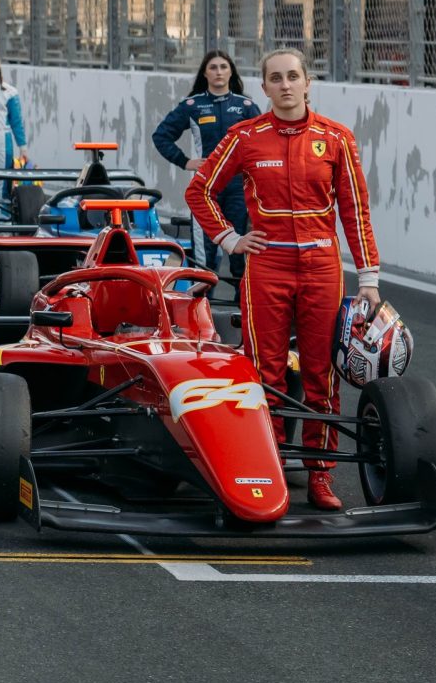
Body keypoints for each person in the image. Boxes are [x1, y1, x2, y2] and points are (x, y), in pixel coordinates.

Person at [184, 47, 380, 512]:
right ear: (265, 87)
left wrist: (368, 277)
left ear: (308, 83)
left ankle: (320, 474)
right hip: (266, 267)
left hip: (322, 268)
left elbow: (356, 212)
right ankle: (267, 467)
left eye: (294, 76)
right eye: (276, 78)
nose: (286, 85)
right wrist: (230, 240)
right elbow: (199, 190)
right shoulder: (245, 135)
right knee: (264, 371)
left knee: (320, 373)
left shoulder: (336, 139)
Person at [152, 50, 257, 278]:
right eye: (213, 67)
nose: (218, 72)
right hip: (206, 188)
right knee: (204, 254)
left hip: (239, 188)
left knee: (242, 249)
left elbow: (262, 144)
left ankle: (244, 308)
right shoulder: (193, 105)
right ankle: (200, 305)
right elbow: (161, 136)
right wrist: (186, 161)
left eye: (223, 67)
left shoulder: (246, 106)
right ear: (205, 73)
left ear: (231, 72)